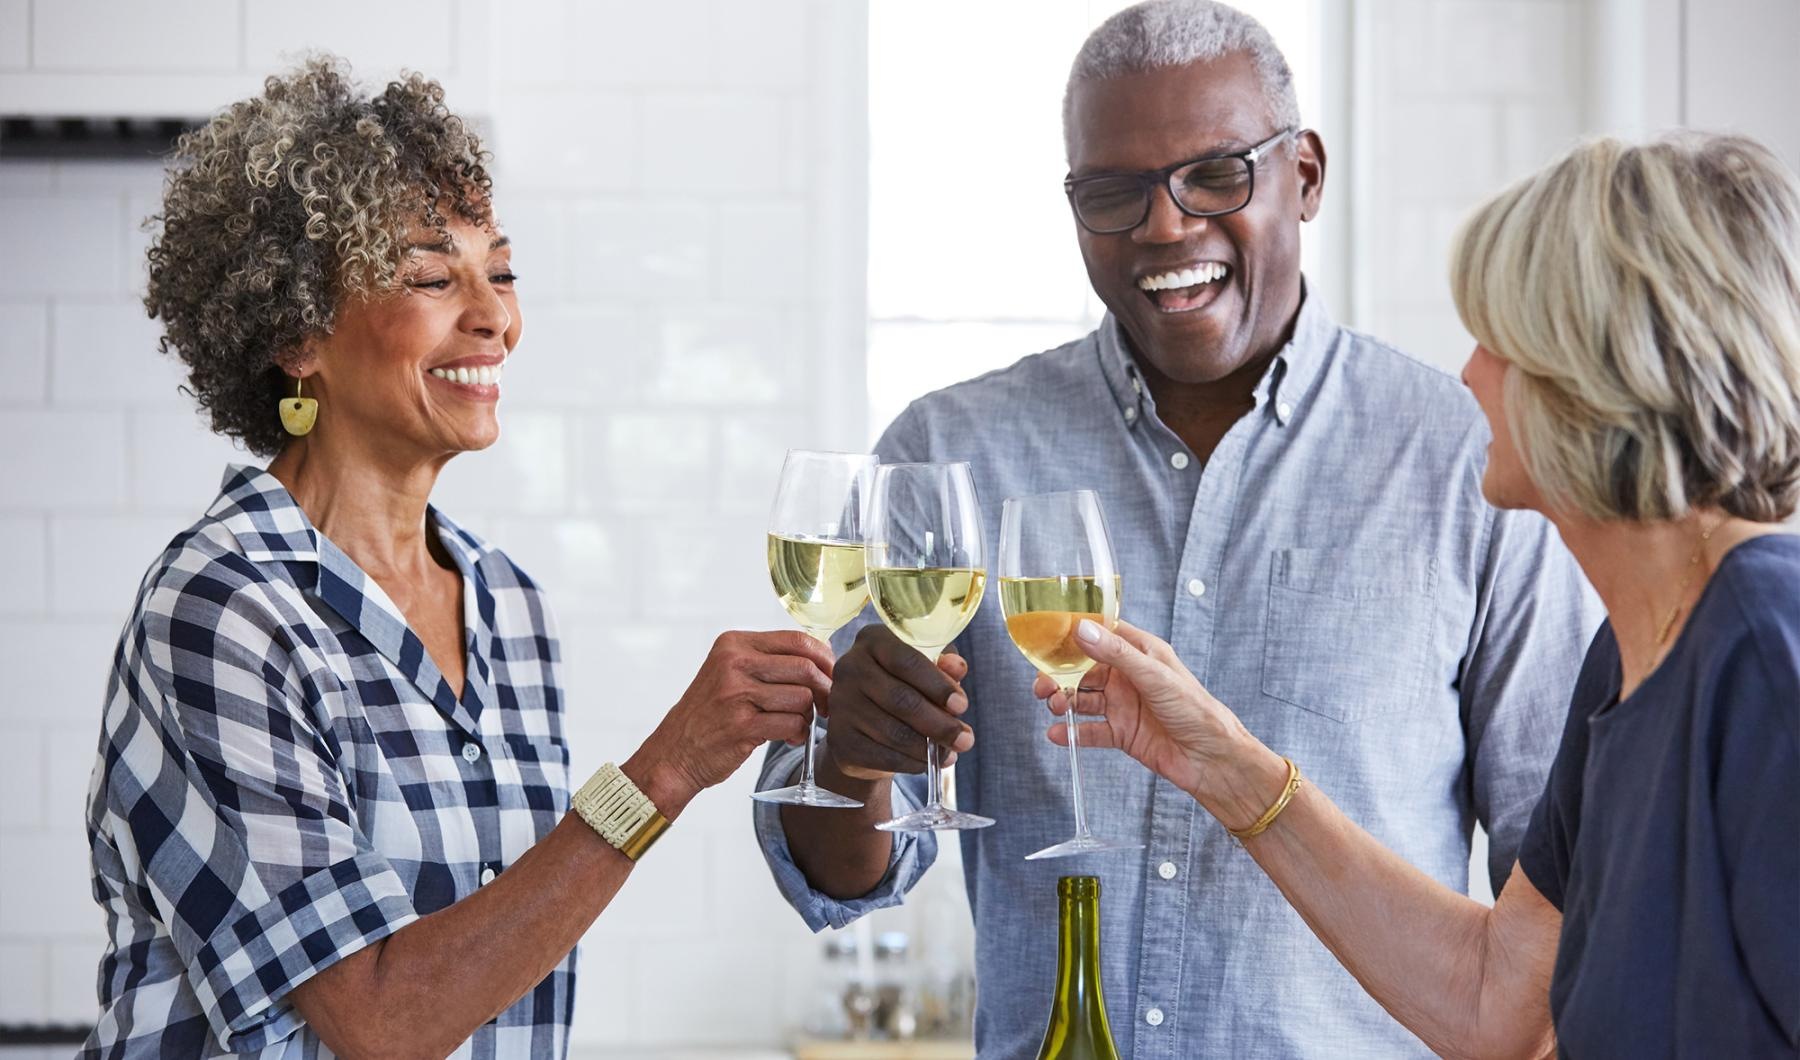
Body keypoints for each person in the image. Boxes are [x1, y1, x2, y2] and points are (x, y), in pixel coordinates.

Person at [755, 1, 1600, 1055]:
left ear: (1306, 176)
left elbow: (1563, 909)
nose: (1164, 224)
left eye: (1216, 175)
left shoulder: (1469, 460)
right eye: (1114, 193)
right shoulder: (951, 451)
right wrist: (851, 760)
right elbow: (840, 877)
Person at [84, 58, 829, 1057]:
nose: (494, 317)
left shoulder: (508, 607)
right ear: (297, 333)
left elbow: (512, 966)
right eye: (432, 277)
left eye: (502, 271)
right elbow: (382, 1020)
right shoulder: (227, 608)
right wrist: (668, 768)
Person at [1052, 132, 1800, 1057]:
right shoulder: (1631, 657)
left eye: (1500, 342)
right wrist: (1224, 764)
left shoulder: (1767, 646)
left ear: (1598, 372)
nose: (1469, 375)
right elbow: (1495, 1005)